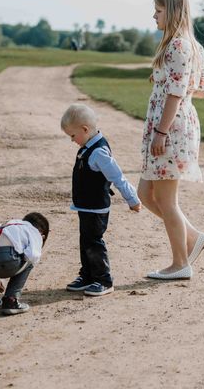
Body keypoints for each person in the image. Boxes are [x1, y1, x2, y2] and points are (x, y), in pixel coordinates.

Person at [139, 0, 204, 280]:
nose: (154, 16)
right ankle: (192, 236)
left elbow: (178, 91)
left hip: (171, 128)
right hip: (174, 124)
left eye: (158, 10)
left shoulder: (179, 46)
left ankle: (180, 263)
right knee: (145, 193)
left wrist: (161, 130)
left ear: (172, 11)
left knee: (166, 200)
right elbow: (202, 88)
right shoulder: (191, 46)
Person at [61, 104, 141, 296]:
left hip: (96, 208)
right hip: (85, 206)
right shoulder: (87, 146)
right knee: (85, 241)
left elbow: (118, 177)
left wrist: (132, 199)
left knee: (94, 242)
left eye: (73, 136)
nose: (72, 140)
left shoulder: (98, 152)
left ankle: (103, 279)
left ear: (85, 130)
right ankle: (87, 275)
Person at [0, 212, 49, 315]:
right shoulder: (34, 231)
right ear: (41, 230)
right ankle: (11, 300)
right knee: (30, 262)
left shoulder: (7, 224)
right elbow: (33, 255)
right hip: (4, 260)